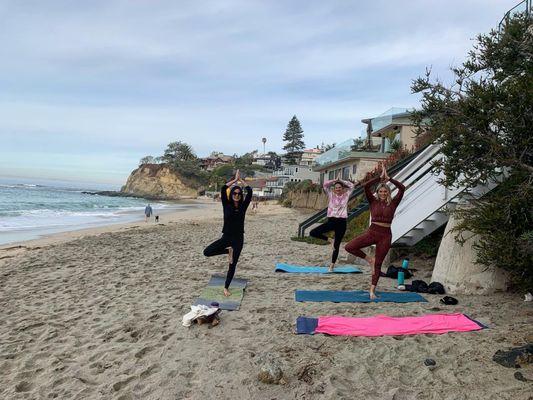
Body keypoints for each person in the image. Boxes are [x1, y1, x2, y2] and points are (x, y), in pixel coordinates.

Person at [344, 162, 405, 300]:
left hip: (385, 236)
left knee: (378, 264)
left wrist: (389, 179)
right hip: (372, 232)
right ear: (377, 192)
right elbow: (366, 186)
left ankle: (372, 290)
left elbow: (402, 188)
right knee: (349, 247)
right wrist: (379, 178)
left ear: (388, 192)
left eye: (385, 191)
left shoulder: (393, 203)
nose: (383, 193)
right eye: (381, 191)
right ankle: (369, 259)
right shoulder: (373, 201)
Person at [203, 170, 252, 296]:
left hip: (238, 239)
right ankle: (227, 251)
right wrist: (235, 181)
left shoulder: (243, 207)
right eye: (234, 193)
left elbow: (250, 192)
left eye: (239, 193)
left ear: (241, 195)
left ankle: (226, 287)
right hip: (226, 237)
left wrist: (242, 182)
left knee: (232, 264)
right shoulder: (227, 204)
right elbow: (223, 188)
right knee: (207, 252)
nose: (236, 195)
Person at [309, 174, 357, 271]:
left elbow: (352, 186)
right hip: (331, 221)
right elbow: (325, 185)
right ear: (334, 189)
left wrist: (342, 181)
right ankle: (330, 239)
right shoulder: (331, 194)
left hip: (342, 222)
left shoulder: (346, 195)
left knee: (337, 245)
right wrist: (335, 180)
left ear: (343, 188)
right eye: (336, 188)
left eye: (340, 187)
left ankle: (332, 266)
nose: (338, 189)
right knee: (313, 232)